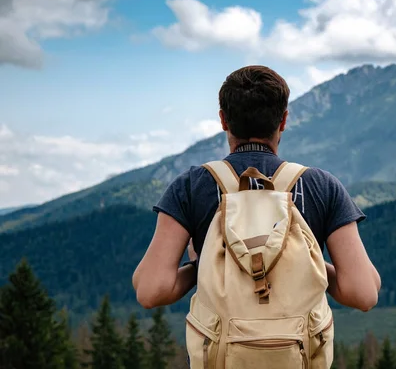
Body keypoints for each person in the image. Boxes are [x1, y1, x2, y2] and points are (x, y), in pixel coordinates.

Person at [132, 65, 381, 314]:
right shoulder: (321, 186)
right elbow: (364, 293)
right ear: (283, 120)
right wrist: (305, 259)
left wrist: (202, 264)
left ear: (223, 120)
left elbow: (150, 289)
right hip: (298, 352)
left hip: (220, 352)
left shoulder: (191, 186)